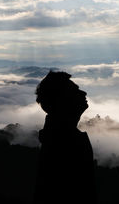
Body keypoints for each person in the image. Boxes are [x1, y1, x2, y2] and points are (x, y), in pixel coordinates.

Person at [33, 71, 97, 204]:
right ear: (63, 100)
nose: (84, 93)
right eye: (75, 91)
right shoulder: (64, 144)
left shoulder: (55, 137)